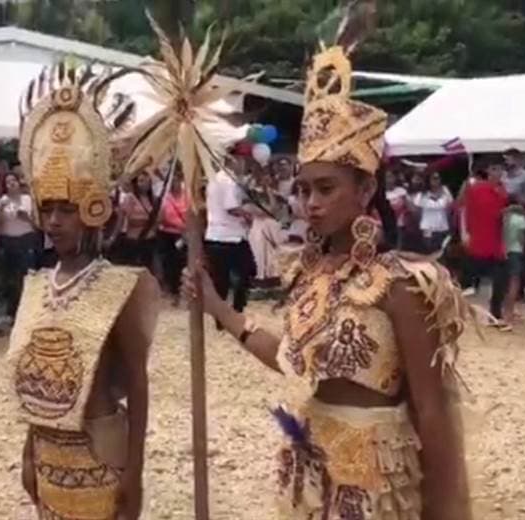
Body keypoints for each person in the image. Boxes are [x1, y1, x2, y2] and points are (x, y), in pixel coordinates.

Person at [184, 45, 472, 520]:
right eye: (303, 190)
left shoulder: (402, 283)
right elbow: (289, 358)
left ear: (366, 189)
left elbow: (431, 407)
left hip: (378, 478)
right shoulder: (307, 273)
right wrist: (217, 306)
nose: (311, 203)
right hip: (312, 467)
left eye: (325, 188)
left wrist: (444, 511)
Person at [7, 66, 157, 520]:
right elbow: (38, 389)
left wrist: (134, 472)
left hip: (100, 454)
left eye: (67, 210)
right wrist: (29, 454)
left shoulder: (119, 287)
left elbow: (137, 383)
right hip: (48, 455)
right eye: (48, 208)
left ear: (93, 210)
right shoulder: (36, 285)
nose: (54, 221)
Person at [460, 157, 509, 324]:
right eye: (494, 169)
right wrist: (464, 232)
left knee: (499, 280)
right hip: (478, 240)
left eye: (500, 169)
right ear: (488, 170)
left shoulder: (502, 191)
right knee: (469, 281)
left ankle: (495, 314)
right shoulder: (475, 189)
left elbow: (503, 216)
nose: (498, 172)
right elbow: (464, 210)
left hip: (495, 242)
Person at [205, 159, 254, 320]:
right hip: (230, 236)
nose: (243, 164)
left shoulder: (214, 178)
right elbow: (231, 207)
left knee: (221, 280)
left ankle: (221, 316)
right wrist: (247, 215)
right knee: (246, 272)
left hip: (215, 234)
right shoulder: (227, 180)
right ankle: (237, 310)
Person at [0, 172, 36, 320]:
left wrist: (26, 218)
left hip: (27, 240)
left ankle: (30, 309)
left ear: (19, 183)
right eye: (8, 182)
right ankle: (14, 311)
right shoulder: (1, 202)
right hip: (9, 241)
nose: (11, 183)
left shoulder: (28, 200)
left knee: (29, 276)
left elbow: (37, 224)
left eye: (14, 180)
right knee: (12, 279)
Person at [110, 172, 158, 270]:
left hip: (149, 240)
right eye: (141, 181)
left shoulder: (154, 199)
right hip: (134, 239)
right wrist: (113, 237)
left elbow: (159, 218)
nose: (145, 183)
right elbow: (122, 218)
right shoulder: (130, 198)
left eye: (147, 180)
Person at [156, 170, 188, 305]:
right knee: (170, 264)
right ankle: (173, 291)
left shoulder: (187, 196)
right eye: (172, 181)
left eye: (176, 180)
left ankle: (182, 291)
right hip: (168, 235)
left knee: (183, 263)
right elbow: (160, 218)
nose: (174, 183)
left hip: (184, 234)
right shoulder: (165, 198)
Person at [502, 196, 525, 329]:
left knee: (503, 283)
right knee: (514, 283)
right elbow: (522, 238)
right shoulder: (520, 219)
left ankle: (504, 312)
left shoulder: (502, 218)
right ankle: (509, 313)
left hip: (502, 251)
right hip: (516, 250)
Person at [413, 171, 453, 254]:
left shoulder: (445, 191)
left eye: (438, 178)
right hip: (428, 229)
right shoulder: (422, 194)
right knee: (429, 253)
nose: (436, 180)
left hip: (442, 228)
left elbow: (450, 206)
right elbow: (416, 210)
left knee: (442, 253)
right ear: (429, 180)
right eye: (434, 178)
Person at [385, 169, 408, 248]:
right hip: (385, 225)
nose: (388, 179)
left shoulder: (401, 191)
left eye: (390, 177)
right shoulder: (381, 192)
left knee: (398, 247)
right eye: (386, 177)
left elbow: (408, 207)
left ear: (395, 178)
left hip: (399, 225)